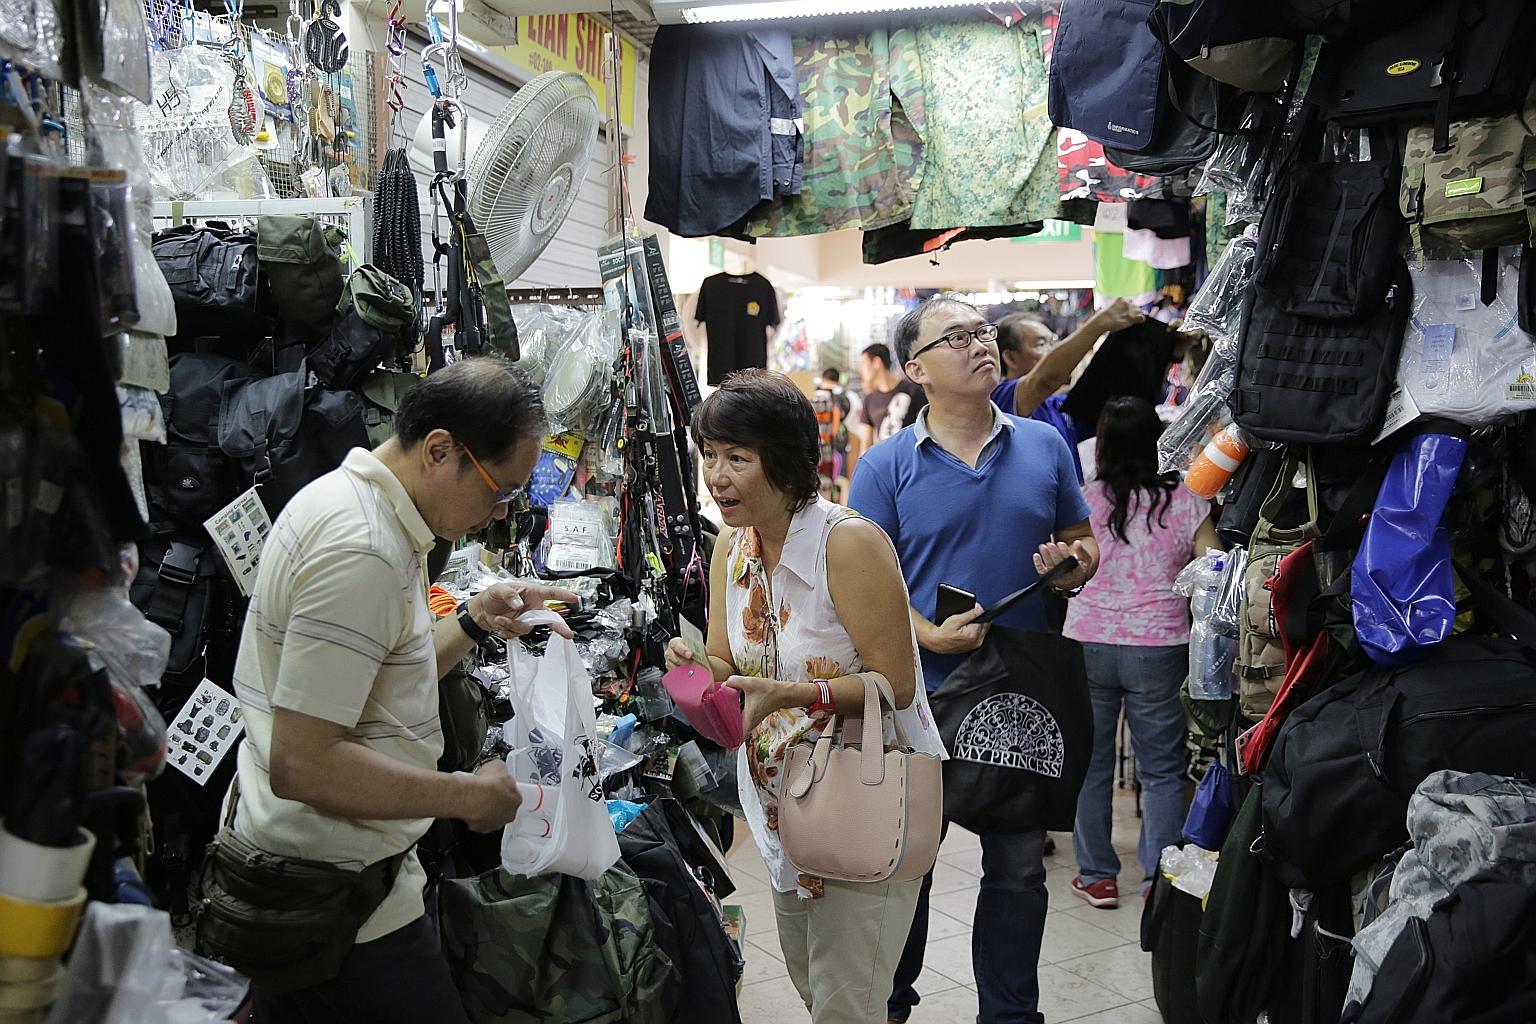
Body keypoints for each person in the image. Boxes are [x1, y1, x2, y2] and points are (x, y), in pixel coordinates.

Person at [226, 358, 579, 1023]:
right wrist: (465, 795)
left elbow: (382, 682)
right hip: (337, 897)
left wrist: (474, 620)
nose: (498, 513)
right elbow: (304, 761)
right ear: (440, 450)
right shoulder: (361, 548)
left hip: (332, 879)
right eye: (499, 491)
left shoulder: (362, 508)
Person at [664, 369, 946, 1024]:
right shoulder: (730, 546)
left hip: (859, 798)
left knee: (847, 1004)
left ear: (785, 462)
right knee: (815, 985)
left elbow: (894, 684)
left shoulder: (845, 543)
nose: (717, 474)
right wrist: (693, 667)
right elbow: (723, 657)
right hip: (776, 808)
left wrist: (794, 693)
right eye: (709, 454)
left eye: (738, 457)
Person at [848, 296, 1100, 1024]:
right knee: (909, 871)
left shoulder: (1044, 446)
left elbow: (1083, 544)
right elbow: (863, 587)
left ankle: (1011, 1015)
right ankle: (892, 1007)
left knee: (1020, 867)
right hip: (919, 700)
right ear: (916, 368)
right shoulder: (885, 466)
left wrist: (1071, 566)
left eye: (984, 332)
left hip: (1020, 696)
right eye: (956, 337)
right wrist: (926, 635)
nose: (979, 344)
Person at [1063, 397, 1220, 909]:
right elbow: (1213, 565)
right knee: (1160, 770)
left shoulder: (1083, 499)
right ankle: (1157, 879)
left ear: (1102, 443)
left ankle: (1097, 876)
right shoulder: (1185, 499)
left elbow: (1062, 567)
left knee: (1092, 766)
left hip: (1089, 642)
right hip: (1159, 645)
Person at [991, 300, 1146, 481]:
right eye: (1041, 344)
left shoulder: (1059, 405)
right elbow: (1045, 379)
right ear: (1010, 357)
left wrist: (1167, 352)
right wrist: (1099, 324)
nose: (1054, 350)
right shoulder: (997, 401)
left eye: (1054, 341)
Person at [858, 342, 927, 446]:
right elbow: (866, 443)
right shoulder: (869, 400)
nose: (861, 369)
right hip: (884, 460)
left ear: (876, 362)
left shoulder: (914, 391)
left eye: (864, 363)